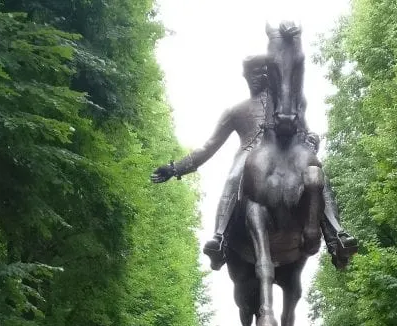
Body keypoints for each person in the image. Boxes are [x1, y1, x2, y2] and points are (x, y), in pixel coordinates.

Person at [150, 56, 355, 270]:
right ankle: (220, 238)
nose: (255, 78)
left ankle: (336, 237)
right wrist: (175, 168)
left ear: (267, 75)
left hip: (286, 153)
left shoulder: (286, 106)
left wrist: (311, 139)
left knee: (316, 174)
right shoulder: (236, 111)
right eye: (250, 74)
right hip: (249, 154)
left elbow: (305, 129)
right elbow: (208, 147)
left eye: (259, 73)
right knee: (234, 175)